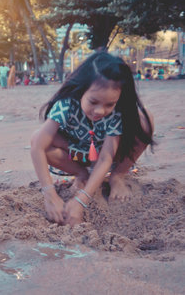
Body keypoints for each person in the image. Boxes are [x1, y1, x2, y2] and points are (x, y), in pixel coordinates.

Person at [30, 52, 154, 226]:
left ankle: (117, 176)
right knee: (39, 137)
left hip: (106, 153)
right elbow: (37, 146)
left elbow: (105, 158)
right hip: (76, 153)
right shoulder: (66, 105)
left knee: (145, 120)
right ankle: (81, 174)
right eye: (93, 102)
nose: (100, 111)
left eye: (109, 104)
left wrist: (81, 200)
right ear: (82, 90)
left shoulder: (117, 112)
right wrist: (50, 194)